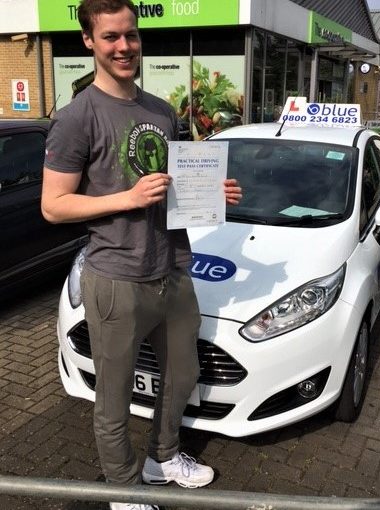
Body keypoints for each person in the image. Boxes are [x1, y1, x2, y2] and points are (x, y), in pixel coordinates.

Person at [41, 1, 242, 509]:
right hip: (116, 277)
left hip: (173, 267)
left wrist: (212, 192)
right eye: (110, 37)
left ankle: (163, 456)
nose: (124, 46)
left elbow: (176, 187)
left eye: (130, 35)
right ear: (89, 41)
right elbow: (53, 205)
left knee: (183, 375)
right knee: (113, 396)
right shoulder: (75, 117)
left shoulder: (161, 110)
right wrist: (126, 199)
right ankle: (123, 489)